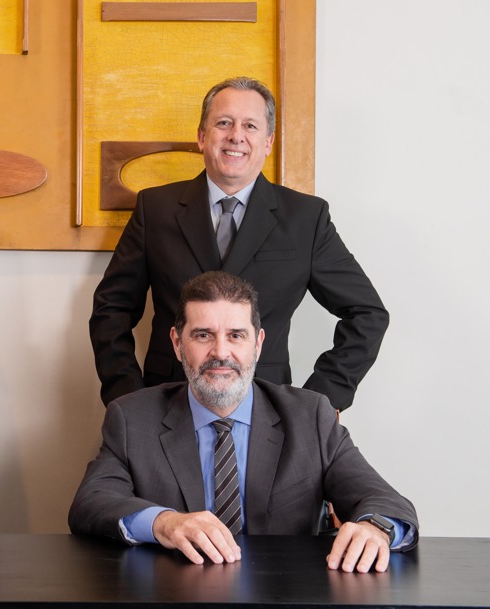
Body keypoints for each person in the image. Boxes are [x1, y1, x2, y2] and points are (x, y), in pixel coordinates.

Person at [70, 271, 417, 573]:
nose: (221, 352)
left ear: (258, 344)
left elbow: (384, 500)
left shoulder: (310, 416)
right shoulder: (132, 417)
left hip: (285, 596)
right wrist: (164, 522)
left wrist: (375, 529)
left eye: (236, 335)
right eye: (203, 335)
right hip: (172, 596)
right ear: (177, 344)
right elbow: (91, 502)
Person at [89, 76, 387, 412]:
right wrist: (126, 397)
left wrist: (320, 403)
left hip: (267, 409)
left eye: (250, 125)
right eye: (223, 123)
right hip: (167, 404)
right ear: (202, 136)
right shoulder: (155, 208)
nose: (236, 136)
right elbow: (111, 309)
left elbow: (367, 314)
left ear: (268, 142)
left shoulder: (306, 217)